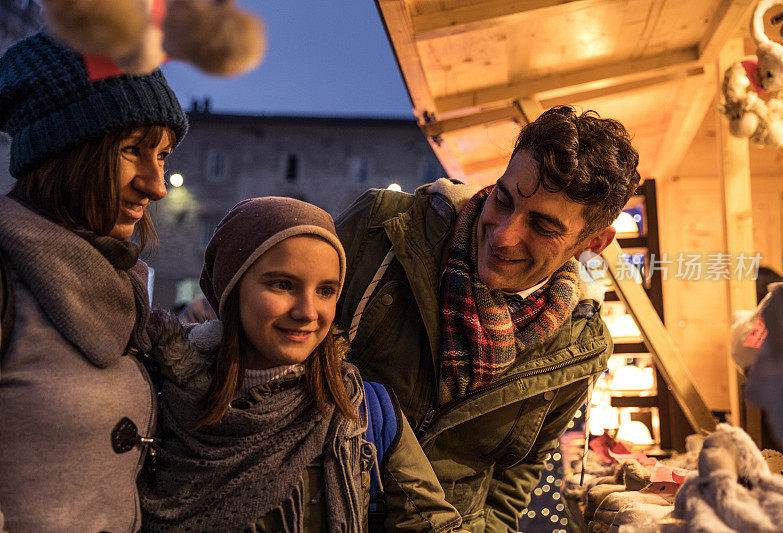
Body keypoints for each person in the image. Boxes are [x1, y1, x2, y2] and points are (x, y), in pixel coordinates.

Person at [335, 106, 641, 532]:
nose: (503, 235)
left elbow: (519, 472)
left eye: (543, 226)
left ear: (591, 243)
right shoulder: (382, 226)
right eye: (503, 199)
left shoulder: (580, 346)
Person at [139, 197, 466, 532]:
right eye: (283, 284)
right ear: (232, 287)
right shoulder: (160, 397)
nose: (307, 312)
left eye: (326, 291)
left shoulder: (362, 412)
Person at [0, 32, 187, 531]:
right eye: (132, 150)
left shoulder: (124, 288)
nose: (154, 185)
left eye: (163, 156)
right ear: (63, 151)